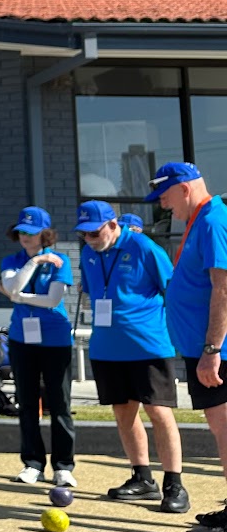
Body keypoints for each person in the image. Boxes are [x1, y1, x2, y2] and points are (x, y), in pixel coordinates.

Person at [74, 199, 187, 512]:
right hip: (107, 347)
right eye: (84, 234)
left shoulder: (143, 247)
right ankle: (142, 477)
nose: (89, 239)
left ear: (113, 224)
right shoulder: (88, 253)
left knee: (159, 412)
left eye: (94, 232)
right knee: (123, 413)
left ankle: (174, 484)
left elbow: (172, 290)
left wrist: (179, 334)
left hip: (147, 345)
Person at [145, 163, 227, 532]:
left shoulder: (212, 221)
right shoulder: (201, 221)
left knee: (225, 429)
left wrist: (212, 349)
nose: (163, 205)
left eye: (164, 196)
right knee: (221, 428)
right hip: (204, 348)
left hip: (216, 350)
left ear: (183, 188)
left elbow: (223, 289)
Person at [0, 206, 77, 486]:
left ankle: (63, 466)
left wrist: (19, 297)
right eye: (21, 232)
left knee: (60, 403)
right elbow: (12, 286)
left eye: (32, 232)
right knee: (27, 402)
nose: (25, 237)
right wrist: (34, 262)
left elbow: (53, 300)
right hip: (22, 339)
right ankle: (32, 463)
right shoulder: (12, 260)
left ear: (45, 234)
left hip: (56, 339)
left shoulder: (61, 260)